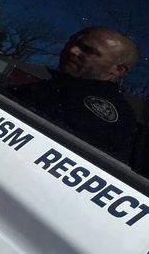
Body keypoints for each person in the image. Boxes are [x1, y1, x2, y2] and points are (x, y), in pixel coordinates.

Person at [10, 27, 140, 160]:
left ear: (118, 69)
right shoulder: (64, 87)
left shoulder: (103, 115)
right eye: (71, 43)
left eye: (88, 50)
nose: (73, 50)